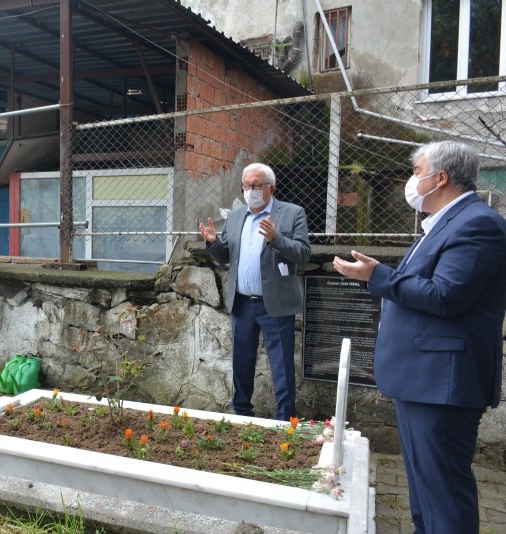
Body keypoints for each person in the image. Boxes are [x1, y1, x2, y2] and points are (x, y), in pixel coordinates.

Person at [333, 140, 506, 534]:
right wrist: (379, 275)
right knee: (425, 489)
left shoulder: (477, 224)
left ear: (441, 178)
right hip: (421, 380)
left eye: (416, 171)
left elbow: (447, 296)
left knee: (444, 493)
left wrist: (377, 276)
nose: (411, 181)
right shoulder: (442, 223)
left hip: (442, 384)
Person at [199, 163, 311, 421]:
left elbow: (304, 254)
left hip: (276, 304)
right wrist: (213, 243)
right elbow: (225, 256)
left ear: (272, 188)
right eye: (247, 185)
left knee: (281, 366)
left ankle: (285, 420)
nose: (251, 190)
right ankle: (241, 415)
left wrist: (276, 239)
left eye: (257, 185)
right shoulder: (237, 216)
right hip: (242, 304)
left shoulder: (292, 213)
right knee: (241, 362)